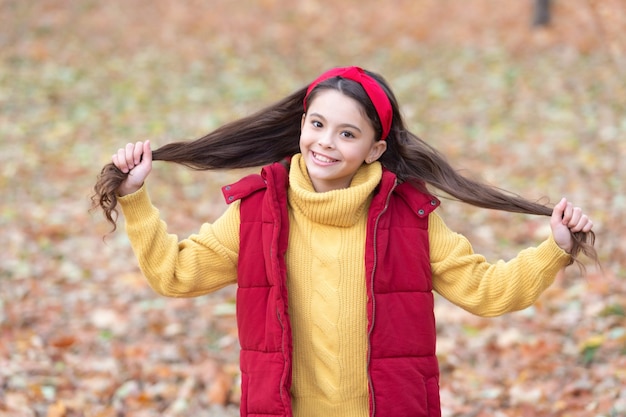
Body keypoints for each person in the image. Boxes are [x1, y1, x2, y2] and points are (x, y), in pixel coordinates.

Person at [93, 66, 596, 417]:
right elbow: (174, 275)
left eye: (346, 134)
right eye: (317, 124)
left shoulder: (410, 219)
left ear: (375, 148)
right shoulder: (257, 212)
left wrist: (553, 248)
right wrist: (135, 200)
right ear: (301, 127)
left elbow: (488, 292)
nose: (325, 143)